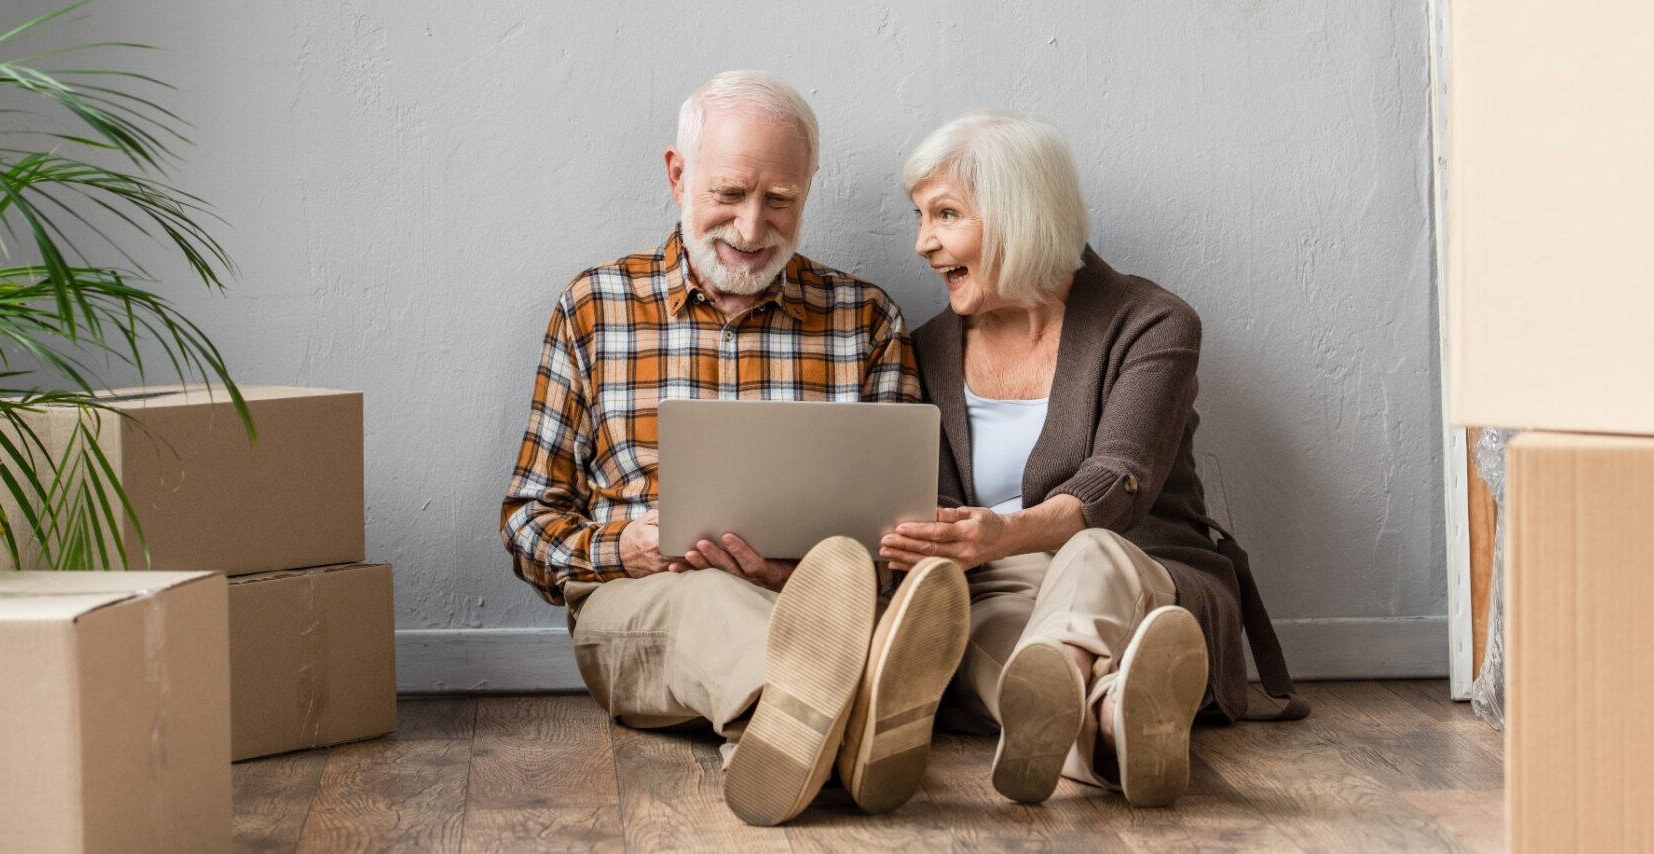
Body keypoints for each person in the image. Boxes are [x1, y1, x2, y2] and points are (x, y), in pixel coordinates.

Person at [500, 71, 969, 826]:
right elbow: (526, 521)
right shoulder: (593, 307)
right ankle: (857, 707)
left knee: (842, 585)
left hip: (816, 596)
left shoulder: (865, 317)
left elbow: (908, 518)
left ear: (808, 189)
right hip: (641, 606)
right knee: (707, 598)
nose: (752, 229)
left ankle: (786, 730)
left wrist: (803, 573)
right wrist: (627, 548)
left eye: (780, 200)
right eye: (729, 194)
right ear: (678, 175)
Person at [880, 111, 1309, 807]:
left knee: (1091, 553)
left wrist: (1006, 533)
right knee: (978, 623)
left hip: (1150, 575)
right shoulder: (926, 348)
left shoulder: (1153, 322)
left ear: (1019, 214)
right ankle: (1110, 726)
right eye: (920, 216)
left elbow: (1120, 480)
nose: (923, 243)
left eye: (946, 214)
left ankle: (1063, 679)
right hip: (1003, 587)